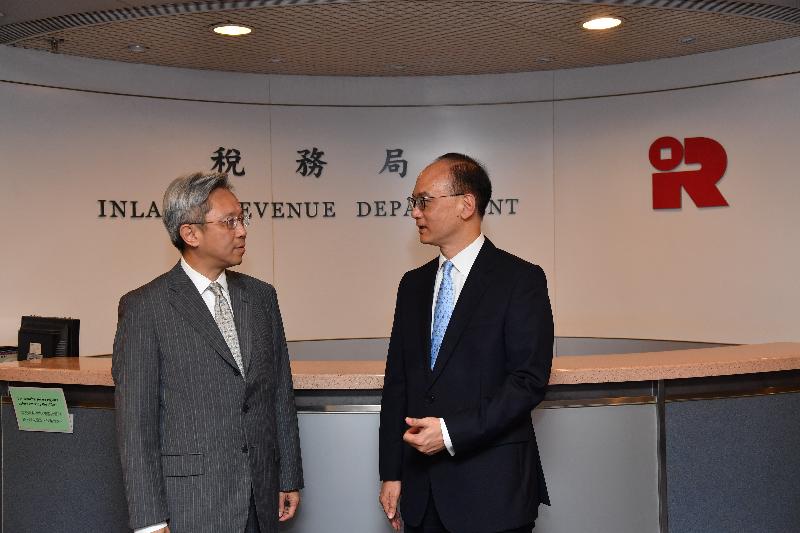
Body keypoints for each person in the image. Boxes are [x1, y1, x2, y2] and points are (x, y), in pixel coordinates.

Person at [112, 172, 303, 533]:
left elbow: (278, 391)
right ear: (191, 233)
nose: (242, 230)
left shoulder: (262, 297)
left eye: (243, 218)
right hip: (192, 502)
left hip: (261, 498)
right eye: (229, 222)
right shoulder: (145, 308)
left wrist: (288, 474)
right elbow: (136, 424)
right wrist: (149, 520)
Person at [378, 154, 554, 533]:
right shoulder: (413, 285)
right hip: (422, 492)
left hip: (493, 491)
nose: (415, 213)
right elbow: (398, 385)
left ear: (466, 204)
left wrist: (450, 432)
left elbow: (528, 381)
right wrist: (392, 472)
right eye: (413, 203)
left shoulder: (520, 280)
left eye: (424, 201)